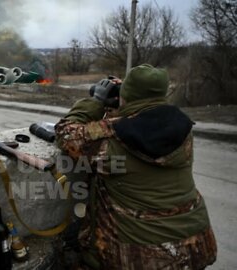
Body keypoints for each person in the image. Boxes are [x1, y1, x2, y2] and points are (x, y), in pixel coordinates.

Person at [55, 64, 217, 269]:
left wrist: (96, 101)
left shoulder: (115, 136)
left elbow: (66, 134)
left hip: (141, 257)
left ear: (127, 96)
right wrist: (125, 105)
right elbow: (144, 121)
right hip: (195, 247)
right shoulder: (182, 126)